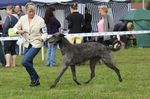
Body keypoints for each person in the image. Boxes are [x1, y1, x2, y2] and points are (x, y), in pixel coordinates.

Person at [13, 2, 48, 87]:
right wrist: (18, 31)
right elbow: (14, 28)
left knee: (24, 61)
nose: (31, 13)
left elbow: (45, 33)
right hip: (26, 43)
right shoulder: (22, 18)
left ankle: (36, 77)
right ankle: (35, 81)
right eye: (29, 12)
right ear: (26, 11)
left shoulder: (40, 20)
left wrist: (42, 38)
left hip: (36, 43)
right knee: (29, 63)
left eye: (33, 12)